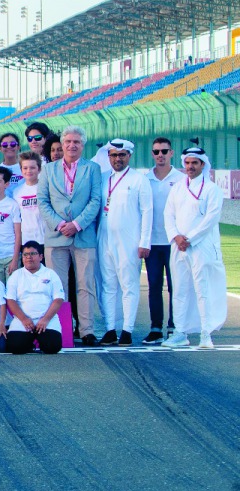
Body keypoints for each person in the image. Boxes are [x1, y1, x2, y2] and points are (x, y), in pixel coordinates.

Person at [37, 125, 102, 346]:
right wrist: (61, 224)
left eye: (76, 142)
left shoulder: (92, 169)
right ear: (62, 144)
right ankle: (62, 329)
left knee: (85, 285)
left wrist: (76, 224)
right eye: (68, 142)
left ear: (82, 145)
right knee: (58, 286)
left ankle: (87, 331)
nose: (72, 145)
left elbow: (95, 201)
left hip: (84, 235)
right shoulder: (48, 170)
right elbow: (43, 201)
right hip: (56, 237)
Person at [162, 147, 227, 349]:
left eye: (195, 163)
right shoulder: (178, 188)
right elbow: (168, 215)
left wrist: (189, 238)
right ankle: (180, 332)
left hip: (201, 247)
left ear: (202, 165)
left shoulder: (212, 189)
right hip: (179, 247)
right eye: (188, 163)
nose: (190, 167)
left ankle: (206, 334)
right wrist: (176, 237)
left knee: (203, 289)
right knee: (180, 289)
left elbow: (211, 218)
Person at [96, 139, 152, 346]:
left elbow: (147, 212)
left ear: (129, 156)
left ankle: (127, 329)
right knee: (108, 285)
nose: (117, 159)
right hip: (104, 238)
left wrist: (144, 242)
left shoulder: (139, 179)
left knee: (128, 285)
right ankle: (110, 328)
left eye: (121, 155)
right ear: (108, 156)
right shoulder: (103, 178)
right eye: (113, 155)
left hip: (129, 240)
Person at [142, 137, 180, 344]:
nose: (160, 155)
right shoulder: (145, 178)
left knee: (176, 286)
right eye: (156, 152)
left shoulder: (181, 179)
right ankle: (156, 327)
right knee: (154, 285)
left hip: (173, 242)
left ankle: (174, 326)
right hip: (153, 242)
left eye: (164, 151)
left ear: (171, 153)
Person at [5, 241, 65, 354]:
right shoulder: (16, 275)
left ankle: (40, 338)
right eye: (25, 254)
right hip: (23, 320)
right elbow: (11, 300)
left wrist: (45, 319)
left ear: (41, 256)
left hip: (46, 319)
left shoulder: (51, 274)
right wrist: (24, 319)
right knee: (14, 347)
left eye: (33, 254)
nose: (29, 257)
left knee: (53, 347)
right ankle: (30, 341)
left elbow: (58, 299)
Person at [15, 152, 44, 248]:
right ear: (21, 169)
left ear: (39, 169)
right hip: (26, 241)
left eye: (32, 167)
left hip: (45, 240)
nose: (28, 171)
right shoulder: (17, 192)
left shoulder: (46, 188)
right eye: (25, 168)